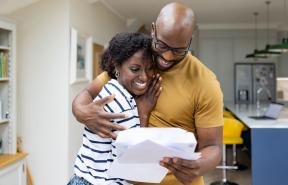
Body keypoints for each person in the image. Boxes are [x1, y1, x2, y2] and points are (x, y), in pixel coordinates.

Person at [72, 2, 223, 185]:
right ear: (153, 30)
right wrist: (81, 111)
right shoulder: (135, 58)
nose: (167, 57)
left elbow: (212, 147)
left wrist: (198, 165)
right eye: (161, 45)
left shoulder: (205, 82)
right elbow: (88, 93)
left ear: (190, 41)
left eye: (178, 50)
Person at [68, 32, 161, 185]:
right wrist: (143, 113)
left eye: (149, 68)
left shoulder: (113, 89)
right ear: (117, 66)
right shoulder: (118, 102)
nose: (144, 77)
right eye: (135, 69)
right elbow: (133, 170)